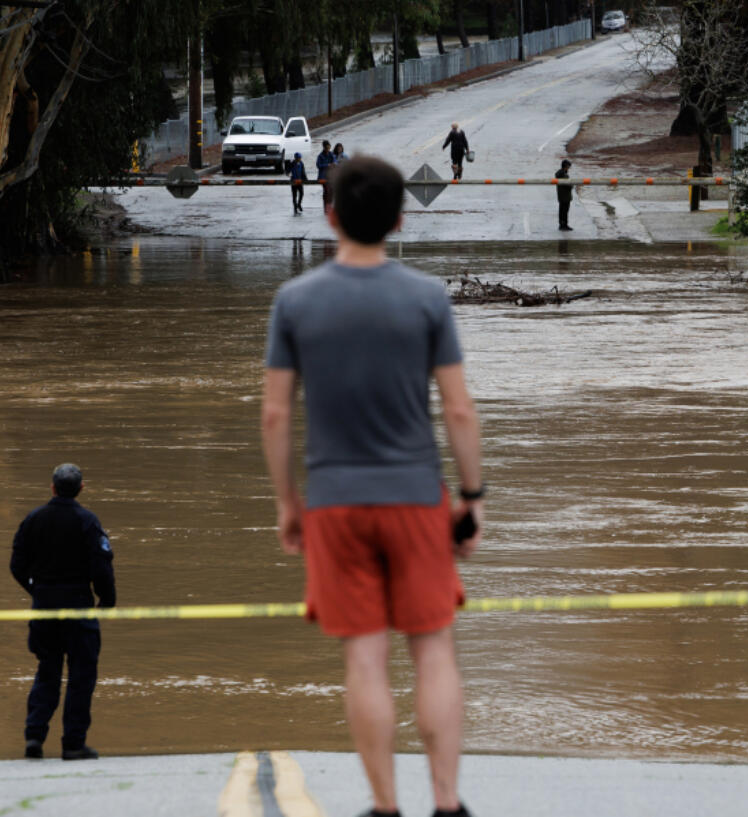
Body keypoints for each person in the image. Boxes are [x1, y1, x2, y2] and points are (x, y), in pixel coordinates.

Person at [261, 156, 484, 817]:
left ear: (329, 214)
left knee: (364, 657)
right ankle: (447, 804)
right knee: (434, 647)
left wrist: (287, 503)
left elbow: (275, 413)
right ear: (399, 218)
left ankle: (384, 807)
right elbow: (460, 409)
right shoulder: (426, 298)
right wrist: (471, 497)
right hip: (417, 497)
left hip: (334, 502)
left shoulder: (294, 302)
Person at [10, 463, 115, 761]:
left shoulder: (33, 520)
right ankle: (73, 743)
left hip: (44, 610)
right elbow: (102, 567)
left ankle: (34, 737)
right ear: (81, 489)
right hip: (79, 608)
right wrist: (106, 601)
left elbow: (16, 564)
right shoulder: (87, 521)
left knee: (47, 671)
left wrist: (38, 591)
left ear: (52, 487)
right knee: (81, 677)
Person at [316, 140, 336, 209]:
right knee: (327, 190)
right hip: (323, 176)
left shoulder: (331, 154)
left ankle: (330, 205)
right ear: (324, 147)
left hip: (331, 176)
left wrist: (334, 164)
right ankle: (326, 206)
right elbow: (318, 165)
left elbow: (335, 162)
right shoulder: (320, 156)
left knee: (332, 191)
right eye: (326, 148)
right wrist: (327, 165)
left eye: (329, 148)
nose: (328, 149)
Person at [554, 159, 573, 231]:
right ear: (566, 166)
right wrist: (572, 185)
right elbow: (568, 185)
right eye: (568, 167)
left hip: (561, 196)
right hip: (565, 196)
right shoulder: (563, 175)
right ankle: (564, 225)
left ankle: (561, 224)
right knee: (565, 211)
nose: (569, 168)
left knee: (561, 210)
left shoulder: (559, 174)